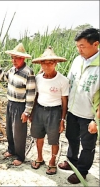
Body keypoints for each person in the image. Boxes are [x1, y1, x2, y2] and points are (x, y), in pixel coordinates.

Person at [58, 28, 99, 184]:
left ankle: (81, 171)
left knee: (87, 145)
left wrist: (96, 120)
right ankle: (71, 161)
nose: (79, 50)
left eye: (82, 46)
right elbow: (69, 83)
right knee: (71, 138)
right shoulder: (77, 60)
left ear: (96, 44)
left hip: (89, 115)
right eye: (77, 46)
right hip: (73, 110)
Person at [0, 43, 36, 166]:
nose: (14, 60)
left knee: (19, 133)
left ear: (23, 59)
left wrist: (27, 111)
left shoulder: (28, 73)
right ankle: (11, 150)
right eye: (13, 58)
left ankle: (20, 156)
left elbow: (31, 94)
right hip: (10, 103)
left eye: (17, 58)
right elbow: (2, 77)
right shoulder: (12, 70)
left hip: (20, 106)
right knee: (10, 130)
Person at [29, 46, 69, 175]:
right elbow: (35, 96)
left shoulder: (63, 80)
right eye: (44, 63)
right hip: (39, 110)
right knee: (38, 136)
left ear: (55, 63)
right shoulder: (38, 78)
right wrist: (32, 112)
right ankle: (39, 157)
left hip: (55, 112)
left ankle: (52, 161)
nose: (47, 66)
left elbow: (64, 102)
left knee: (54, 139)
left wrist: (62, 119)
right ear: (40, 64)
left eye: (50, 62)